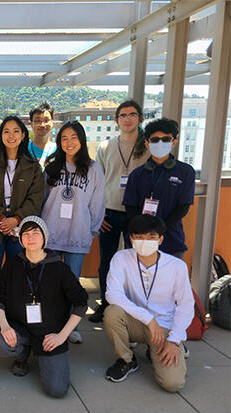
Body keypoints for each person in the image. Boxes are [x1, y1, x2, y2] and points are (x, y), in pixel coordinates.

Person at [0, 216, 88, 398]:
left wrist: (62, 336)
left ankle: (42, 352)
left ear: (45, 237)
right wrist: (5, 327)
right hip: (20, 327)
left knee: (57, 390)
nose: (31, 238)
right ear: (20, 239)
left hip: (49, 333)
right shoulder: (13, 264)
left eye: (36, 233)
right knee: (0, 344)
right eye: (26, 234)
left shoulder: (59, 268)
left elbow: (81, 303)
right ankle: (23, 354)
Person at [104, 214, 193, 392]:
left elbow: (186, 305)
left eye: (151, 237)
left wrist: (174, 340)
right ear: (131, 238)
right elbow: (112, 294)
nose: (145, 241)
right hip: (136, 321)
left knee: (173, 384)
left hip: (163, 326)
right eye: (139, 237)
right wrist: (148, 319)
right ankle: (127, 360)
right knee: (112, 312)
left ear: (160, 239)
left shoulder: (176, 266)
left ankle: (161, 349)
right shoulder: (121, 258)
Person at [42, 120, 105, 344]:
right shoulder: (51, 165)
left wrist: (92, 230)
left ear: (82, 140)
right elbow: (43, 199)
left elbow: (98, 203)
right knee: (49, 283)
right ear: (59, 142)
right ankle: (50, 323)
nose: (69, 142)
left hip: (77, 234)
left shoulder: (93, 168)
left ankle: (70, 327)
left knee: (72, 282)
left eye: (74, 137)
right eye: (64, 138)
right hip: (51, 233)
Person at [0, 116, 44, 341]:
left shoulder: (32, 165)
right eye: (6, 131)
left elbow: (36, 198)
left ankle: (13, 322)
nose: (11, 135)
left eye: (16, 131)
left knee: (17, 276)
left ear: (23, 135)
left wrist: (16, 218)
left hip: (20, 230)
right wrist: (0, 217)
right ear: (0, 135)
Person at [90, 99, 149, 323]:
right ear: (116, 120)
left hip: (138, 215)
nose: (127, 119)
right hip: (109, 213)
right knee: (107, 261)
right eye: (123, 115)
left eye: (132, 114)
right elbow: (96, 183)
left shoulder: (148, 147)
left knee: (136, 261)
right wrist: (99, 213)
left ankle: (133, 305)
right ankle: (106, 304)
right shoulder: (106, 147)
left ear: (140, 118)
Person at [123, 118, 195, 260]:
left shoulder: (185, 172)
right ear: (147, 143)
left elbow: (183, 207)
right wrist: (145, 232)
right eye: (155, 140)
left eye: (166, 139)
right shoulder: (137, 174)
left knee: (170, 280)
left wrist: (159, 230)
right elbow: (130, 207)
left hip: (171, 239)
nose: (160, 143)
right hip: (140, 240)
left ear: (174, 141)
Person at [28, 102, 57, 168]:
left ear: (52, 123)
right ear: (31, 124)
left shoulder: (58, 151)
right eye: (38, 121)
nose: (42, 125)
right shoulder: (24, 151)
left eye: (46, 120)